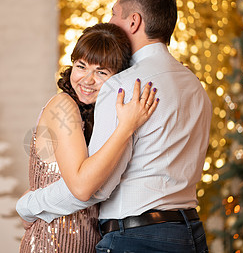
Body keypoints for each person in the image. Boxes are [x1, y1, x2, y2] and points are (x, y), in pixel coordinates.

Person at [17, 0, 212, 253]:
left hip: (135, 237)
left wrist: (28, 205)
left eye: (113, 14)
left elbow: (92, 188)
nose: (109, 21)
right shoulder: (194, 84)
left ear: (133, 21)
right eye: (81, 66)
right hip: (188, 232)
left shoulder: (124, 85)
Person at [18, 23, 159, 253]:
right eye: (81, 66)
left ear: (118, 77)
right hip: (52, 245)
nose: (87, 79)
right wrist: (127, 127)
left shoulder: (99, 117)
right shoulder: (63, 106)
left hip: (88, 243)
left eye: (101, 72)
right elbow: (82, 188)